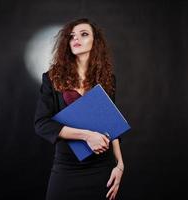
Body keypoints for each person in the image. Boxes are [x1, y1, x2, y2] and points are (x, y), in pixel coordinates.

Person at [34, 18, 124, 200]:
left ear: (95, 42)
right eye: (72, 36)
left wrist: (120, 165)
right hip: (67, 166)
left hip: (102, 167)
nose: (76, 39)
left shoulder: (107, 79)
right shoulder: (52, 78)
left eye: (84, 34)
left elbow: (112, 124)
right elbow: (42, 124)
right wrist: (86, 135)